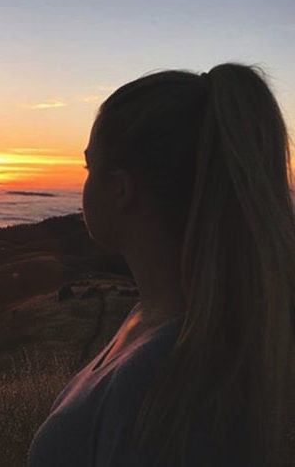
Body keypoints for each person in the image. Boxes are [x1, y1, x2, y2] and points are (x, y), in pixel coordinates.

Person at [27, 63, 295, 466]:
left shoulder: (163, 380)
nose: (84, 182)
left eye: (88, 167)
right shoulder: (152, 321)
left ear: (121, 188)